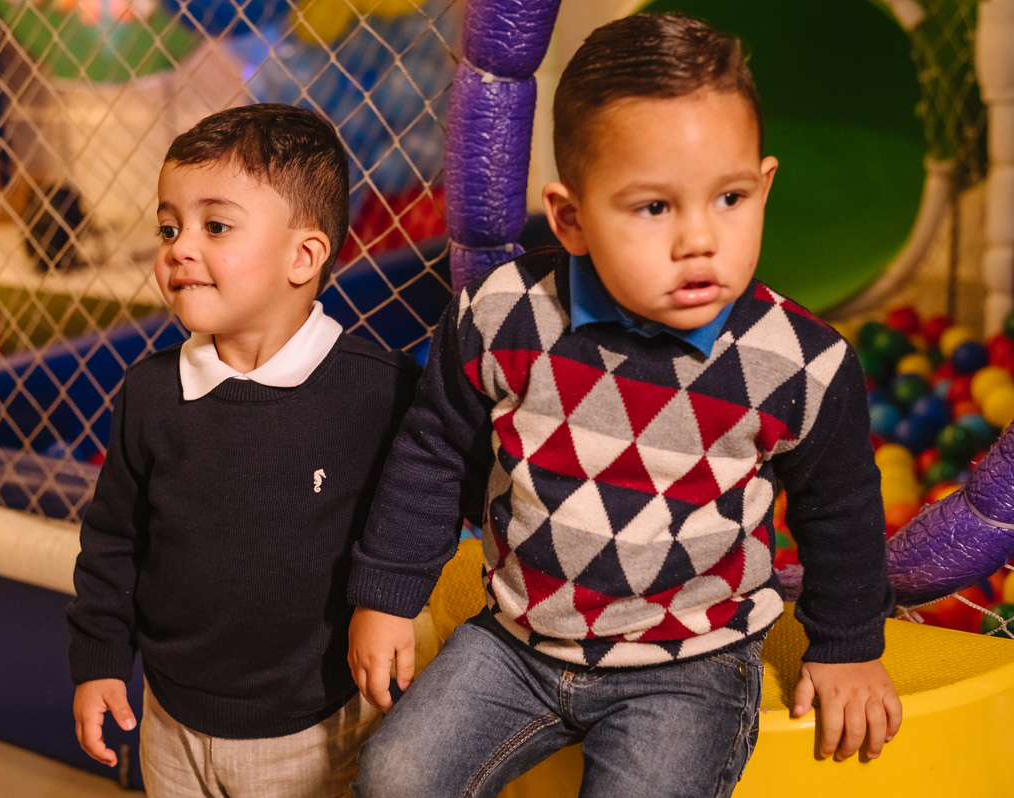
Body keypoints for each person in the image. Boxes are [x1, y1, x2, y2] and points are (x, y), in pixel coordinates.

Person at [347, 13, 902, 798]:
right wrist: (387, 598)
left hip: (690, 663)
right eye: (654, 208)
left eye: (730, 198)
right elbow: (433, 454)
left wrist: (847, 646)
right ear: (571, 218)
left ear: (765, 184)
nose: (700, 239)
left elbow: (840, 510)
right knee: (393, 776)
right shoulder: (502, 315)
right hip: (515, 642)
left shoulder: (800, 362)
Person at [67, 104, 420, 798]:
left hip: (308, 729)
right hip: (171, 718)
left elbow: (426, 501)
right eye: (169, 227)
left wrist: (392, 601)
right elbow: (112, 541)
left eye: (215, 226)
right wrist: (100, 661)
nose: (178, 248)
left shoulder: (377, 392)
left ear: (304, 255)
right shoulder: (150, 394)